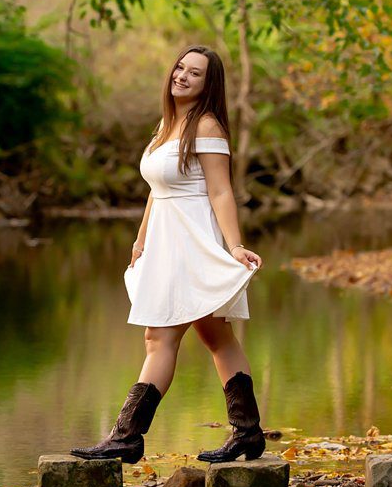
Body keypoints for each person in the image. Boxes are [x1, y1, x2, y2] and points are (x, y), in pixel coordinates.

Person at [72, 45, 270, 464]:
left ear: (207, 84)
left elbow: (220, 190)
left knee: (160, 338)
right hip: (165, 241)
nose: (182, 75)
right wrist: (141, 239)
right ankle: (248, 434)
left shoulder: (208, 127)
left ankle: (127, 435)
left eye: (194, 73)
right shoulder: (167, 124)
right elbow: (156, 190)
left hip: (193, 242)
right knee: (217, 337)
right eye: (180, 67)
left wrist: (234, 246)